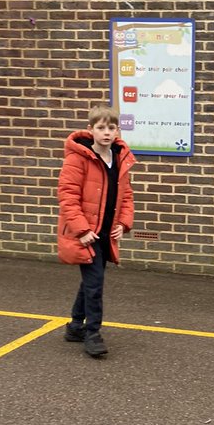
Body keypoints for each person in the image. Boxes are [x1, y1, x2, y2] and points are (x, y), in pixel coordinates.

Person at [57, 103, 135, 359]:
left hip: (105, 234)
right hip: (86, 234)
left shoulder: (120, 158)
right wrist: (81, 230)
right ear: (90, 130)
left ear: (117, 131)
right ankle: (93, 333)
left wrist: (123, 223)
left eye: (112, 127)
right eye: (101, 128)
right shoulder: (77, 159)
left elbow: (126, 196)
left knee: (92, 281)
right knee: (95, 284)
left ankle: (75, 326)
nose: (107, 133)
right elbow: (67, 197)